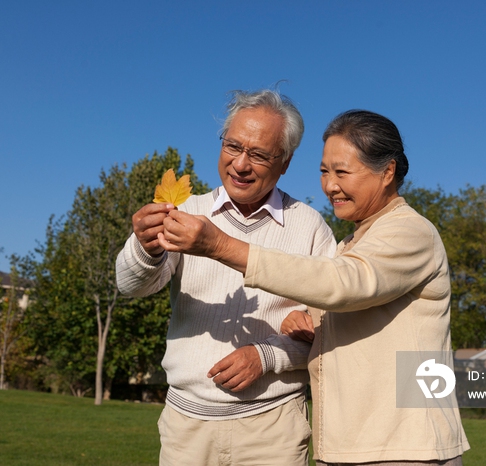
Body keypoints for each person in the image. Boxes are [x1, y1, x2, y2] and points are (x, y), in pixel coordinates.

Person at [158, 110, 471, 465]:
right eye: (324, 171)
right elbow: (342, 299)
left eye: (342, 172)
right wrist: (309, 324)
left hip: (405, 448)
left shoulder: (411, 232)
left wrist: (221, 246)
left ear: (387, 173)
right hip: (351, 445)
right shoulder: (353, 243)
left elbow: (343, 282)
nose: (330, 185)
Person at [116, 89, 336, 465]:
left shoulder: (310, 227)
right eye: (233, 146)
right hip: (186, 427)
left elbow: (331, 330)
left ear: (284, 162)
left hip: (273, 428)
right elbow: (131, 285)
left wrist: (267, 356)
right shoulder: (188, 211)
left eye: (259, 154)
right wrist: (146, 247)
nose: (240, 164)